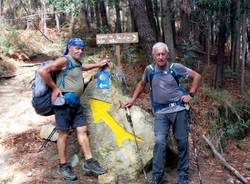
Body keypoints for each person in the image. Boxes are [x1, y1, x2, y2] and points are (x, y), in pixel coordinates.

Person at [124, 42, 201, 184]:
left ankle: (183, 176)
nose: (160, 57)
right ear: (153, 56)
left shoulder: (175, 67)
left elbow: (197, 76)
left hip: (179, 109)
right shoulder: (149, 70)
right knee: (159, 142)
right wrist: (133, 100)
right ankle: (157, 177)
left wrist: (191, 94)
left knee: (182, 142)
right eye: (157, 54)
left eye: (163, 54)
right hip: (160, 112)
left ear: (167, 55)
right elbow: (142, 84)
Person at [38, 38, 108, 181]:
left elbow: (82, 67)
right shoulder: (64, 60)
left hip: (75, 104)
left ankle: (89, 162)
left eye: (82, 49)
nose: (80, 51)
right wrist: (55, 88)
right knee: (63, 134)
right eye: (77, 48)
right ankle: (63, 165)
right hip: (63, 104)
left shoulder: (76, 62)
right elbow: (42, 71)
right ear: (70, 47)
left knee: (82, 130)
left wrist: (98, 64)